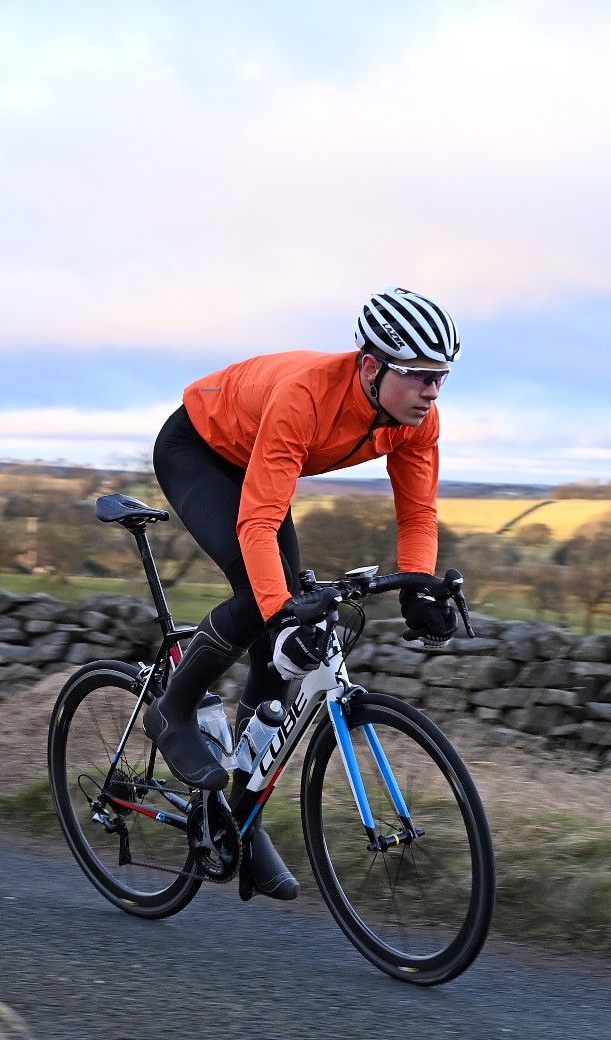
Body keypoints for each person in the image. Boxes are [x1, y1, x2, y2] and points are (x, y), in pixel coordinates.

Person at [144, 287, 462, 899]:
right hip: (201, 452)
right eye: (420, 376)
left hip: (259, 461)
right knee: (265, 599)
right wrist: (281, 611)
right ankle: (172, 710)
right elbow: (257, 525)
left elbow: (418, 519)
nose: (431, 392)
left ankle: (241, 816)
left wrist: (417, 589)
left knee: (290, 627)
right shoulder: (307, 396)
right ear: (371, 366)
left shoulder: (418, 422)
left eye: (441, 379)